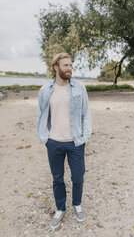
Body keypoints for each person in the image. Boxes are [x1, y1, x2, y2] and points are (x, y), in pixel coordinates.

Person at [37, 52, 92, 230]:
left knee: (78, 178)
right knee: (57, 179)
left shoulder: (79, 88)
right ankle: (60, 208)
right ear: (56, 67)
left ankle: (77, 205)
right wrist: (45, 138)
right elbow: (41, 115)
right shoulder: (45, 90)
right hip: (54, 142)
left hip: (75, 142)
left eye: (70, 65)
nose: (69, 68)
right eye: (65, 65)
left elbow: (86, 114)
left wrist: (85, 136)